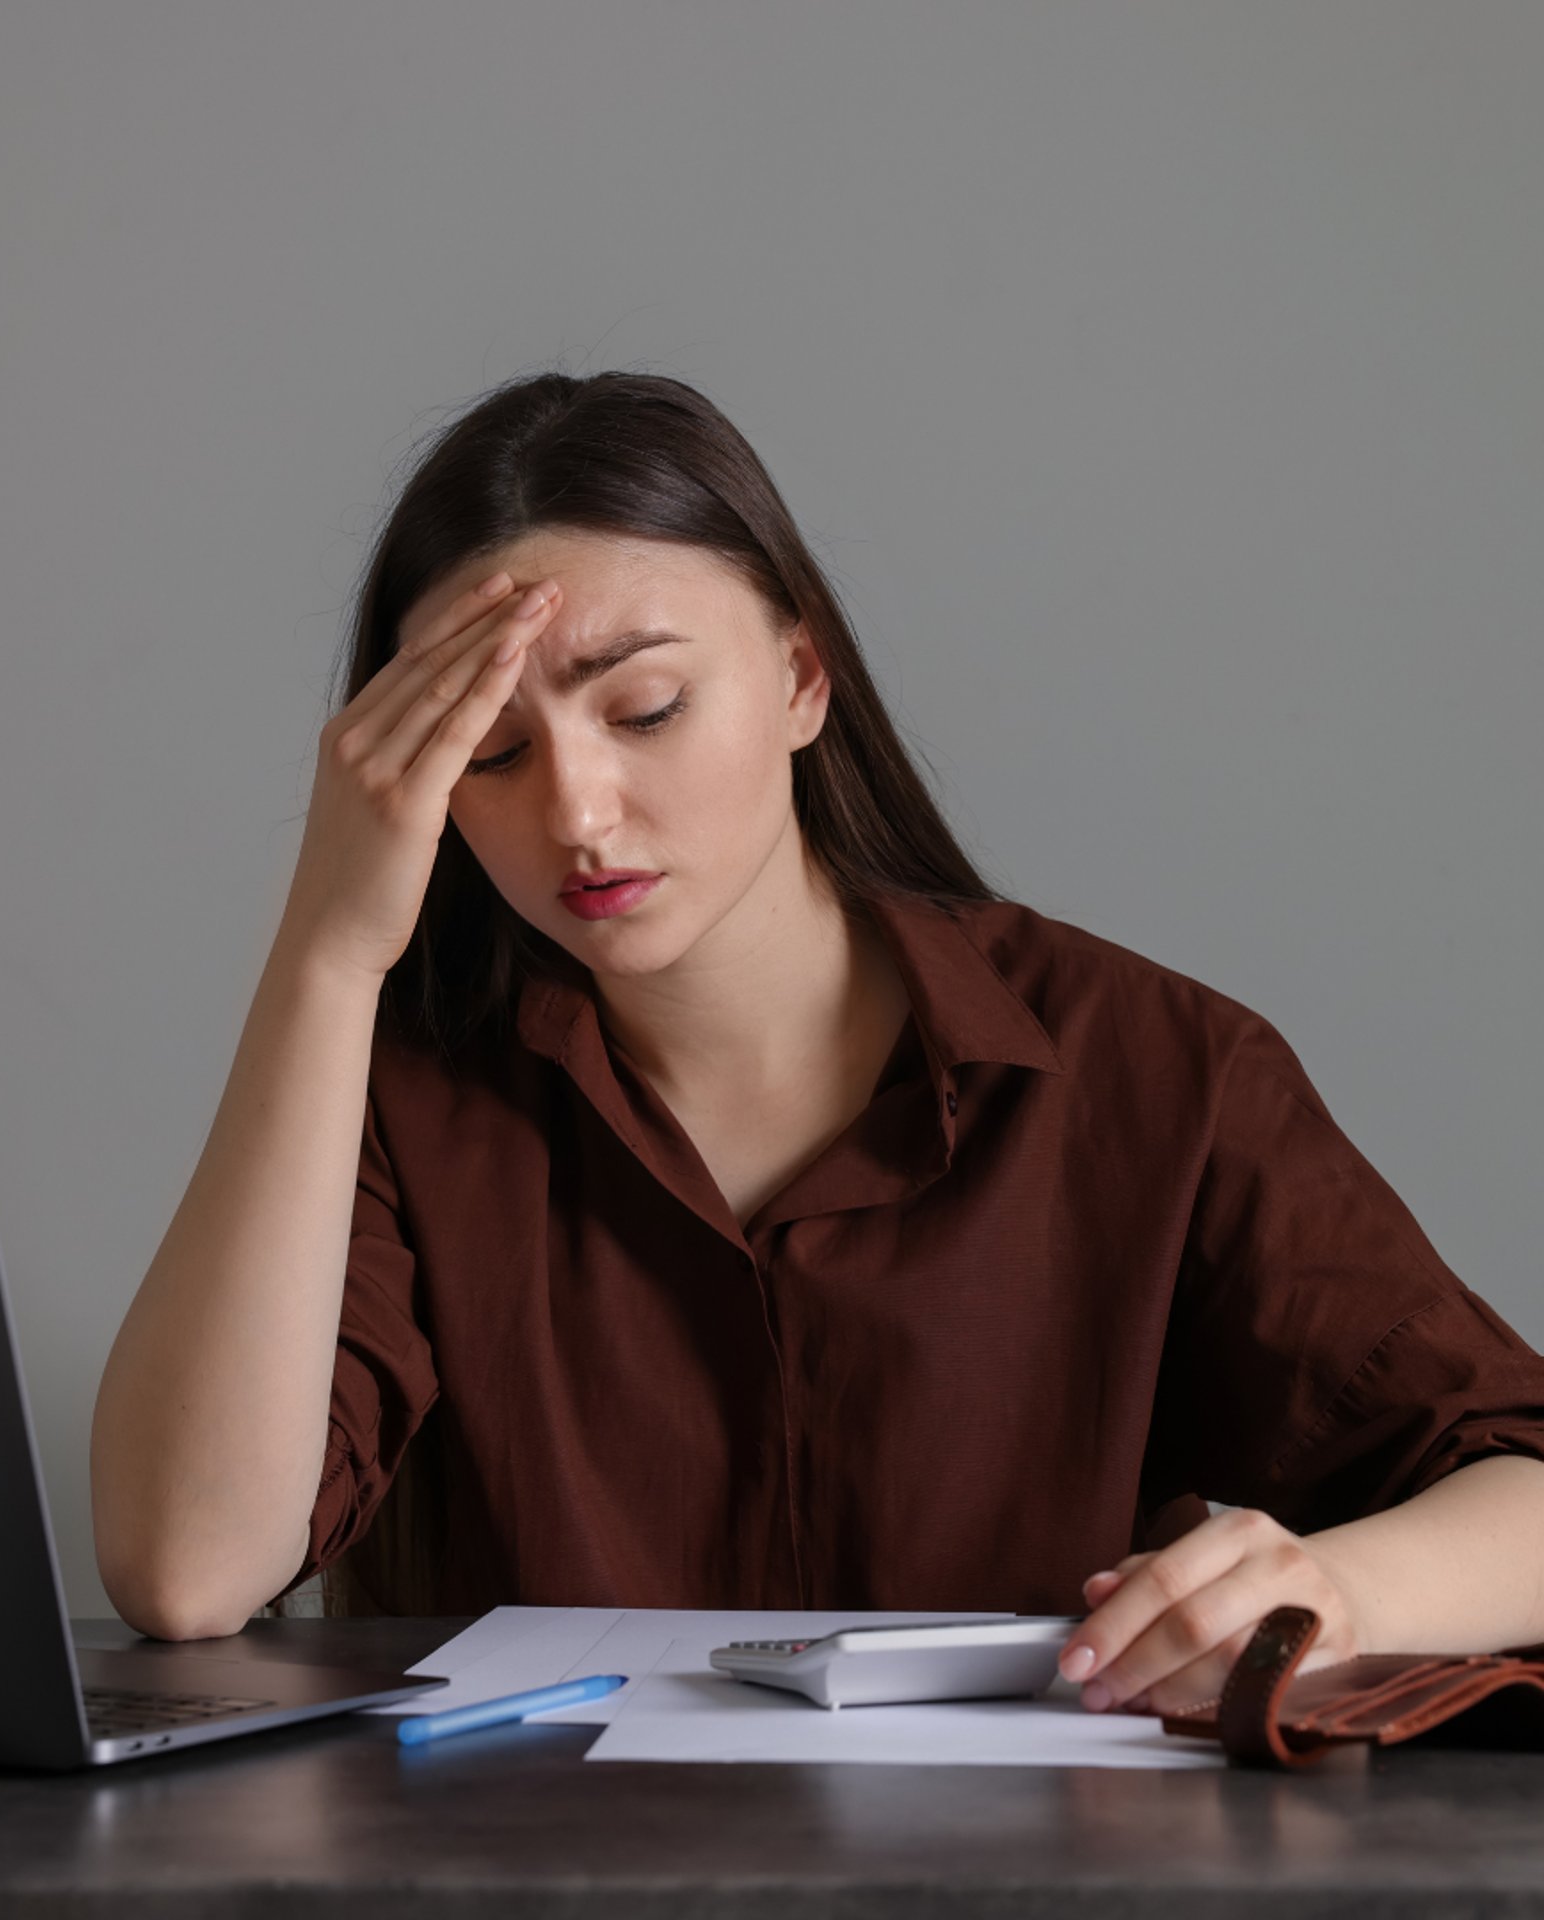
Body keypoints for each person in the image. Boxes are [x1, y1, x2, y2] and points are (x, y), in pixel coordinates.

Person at [91, 370, 1544, 1720]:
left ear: (801, 679)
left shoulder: (1155, 1070)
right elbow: (183, 1570)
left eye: (645, 707)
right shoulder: (411, 1094)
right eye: (491, 753)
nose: (579, 813)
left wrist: (1339, 1590)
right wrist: (329, 952)